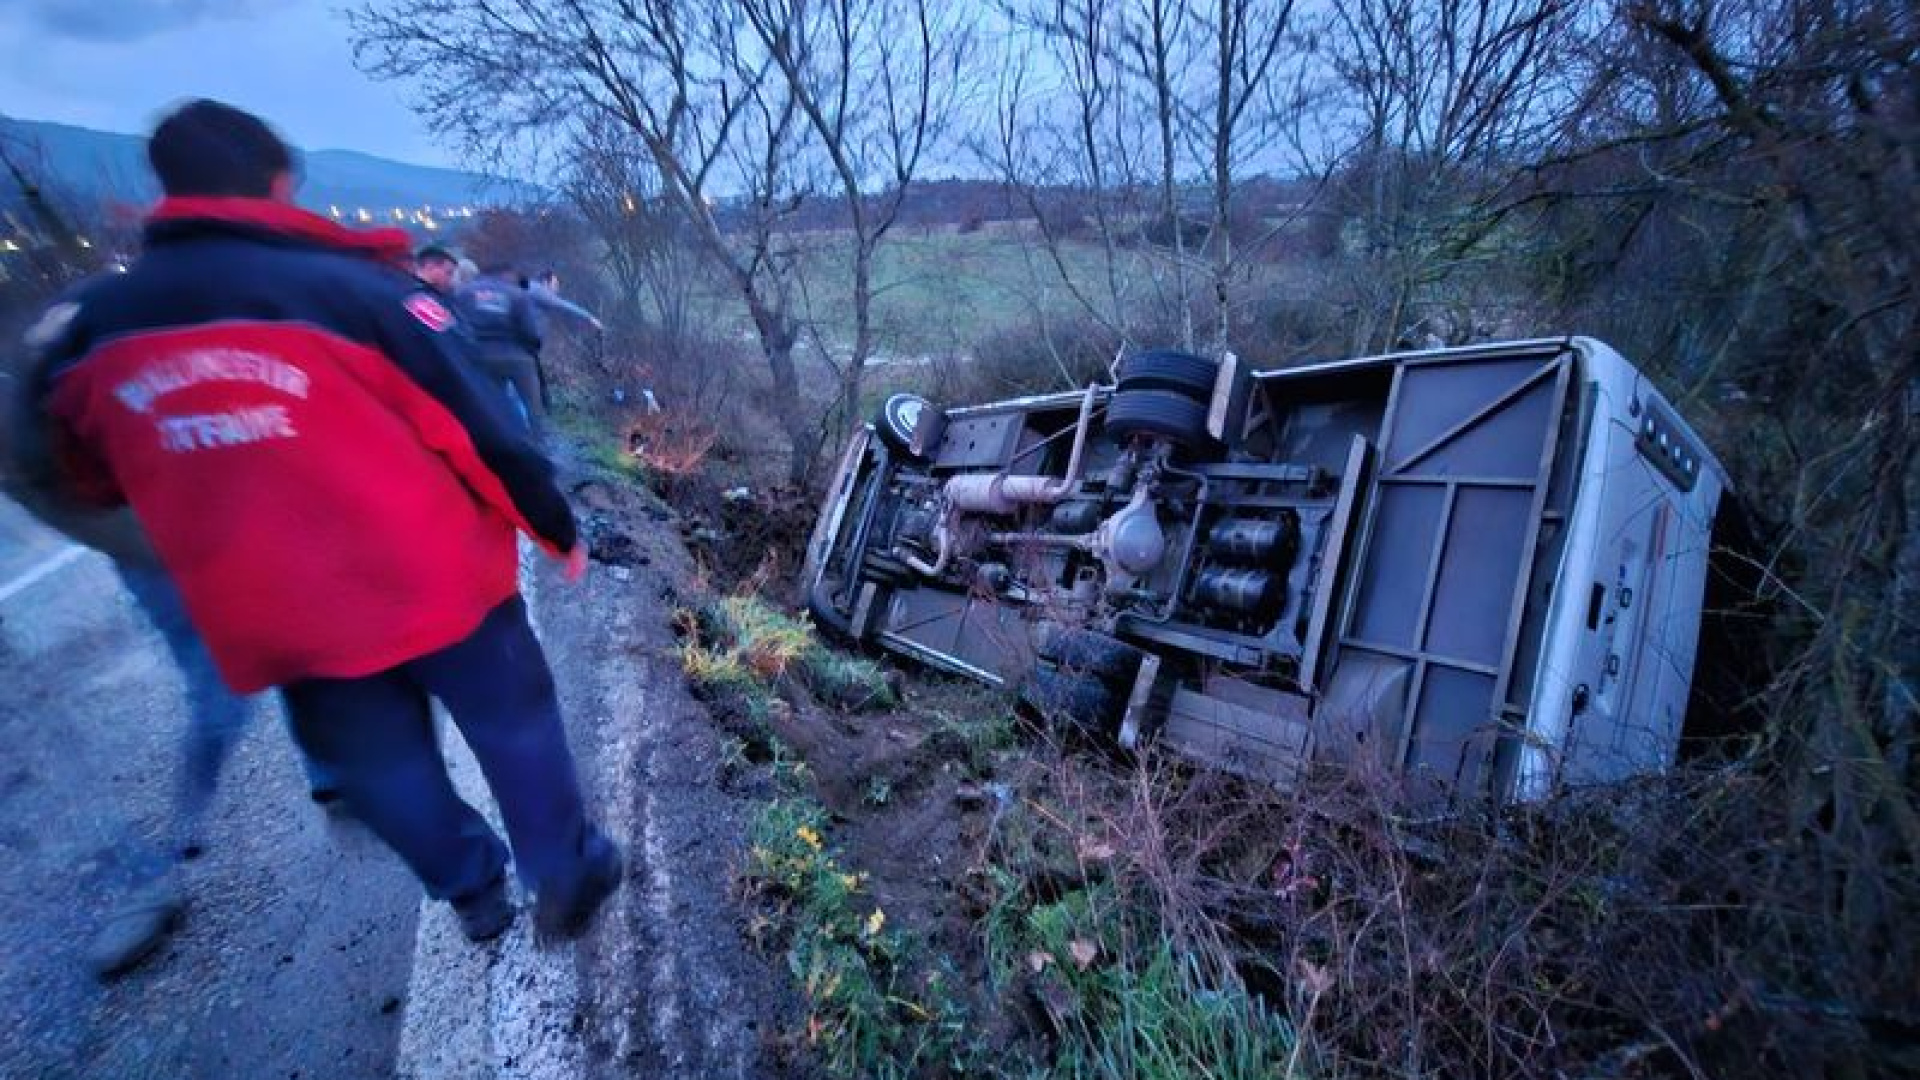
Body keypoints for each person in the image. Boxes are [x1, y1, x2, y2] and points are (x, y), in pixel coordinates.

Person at [12, 99, 622, 948]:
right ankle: (563, 872)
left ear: (170, 188)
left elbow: (69, 470)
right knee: (513, 720)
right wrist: (555, 526)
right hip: (436, 582)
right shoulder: (356, 294)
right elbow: (481, 430)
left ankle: (473, 890)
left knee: (378, 766)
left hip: (278, 617)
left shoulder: (93, 328)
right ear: (278, 184)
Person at [454, 262, 547, 436]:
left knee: (491, 401)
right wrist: (533, 348)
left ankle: (492, 438)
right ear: (506, 274)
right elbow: (530, 332)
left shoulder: (463, 293)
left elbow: (456, 325)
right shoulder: (517, 294)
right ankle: (539, 442)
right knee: (532, 403)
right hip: (515, 357)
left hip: (478, 356)